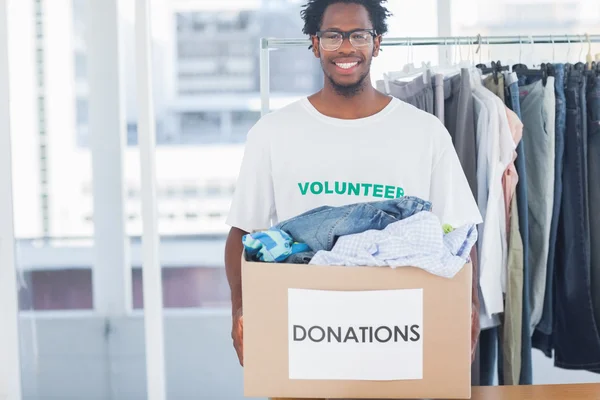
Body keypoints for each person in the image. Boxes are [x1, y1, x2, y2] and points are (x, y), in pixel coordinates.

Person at [224, 0, 483, 367]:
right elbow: (241, 233)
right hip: (302, 338)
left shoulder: (424, 132)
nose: (346, 48)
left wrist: (468, 307)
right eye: (333, 36)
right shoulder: (272, 133)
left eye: (358, 35)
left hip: (398, 339)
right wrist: (240, 309)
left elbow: (460, 233)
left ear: (376, 43)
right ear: (315, 44)